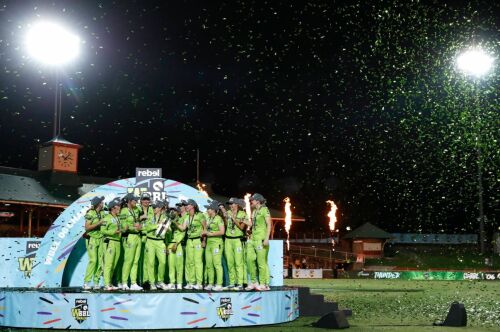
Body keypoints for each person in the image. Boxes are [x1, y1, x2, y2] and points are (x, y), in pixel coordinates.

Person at [246, 193, 272, 291]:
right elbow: (252, 224)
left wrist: (266, 238)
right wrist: (242, 220)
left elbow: (269, 224)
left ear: (257, 201)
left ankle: (264, 283)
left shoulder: (265, 210)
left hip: (261, 239)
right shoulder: (254, 211)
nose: (250, 201)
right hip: (252, 239)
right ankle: (254, 282)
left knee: (261, 262)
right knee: (249, 259)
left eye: (252, 200)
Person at [101, 198, 128, 291]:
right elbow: (102, 230)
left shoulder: (118, 218)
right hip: (110, 242)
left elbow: (121, 229)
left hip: (118, 242)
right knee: (108, 264)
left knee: (114, 264)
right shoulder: (106, 218)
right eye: (118, 206)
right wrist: (114, 231)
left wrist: (124, 229)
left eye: (120, 206)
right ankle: (106, 284)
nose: (120, 208)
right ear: (113, 207)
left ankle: (110, 283)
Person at [120, 193, 144, 291]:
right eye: (134, 200)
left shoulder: (136, 209)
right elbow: (123, 227)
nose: (136, 202)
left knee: (135, 261)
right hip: (130, 237)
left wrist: (140, 225)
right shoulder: (124, 211)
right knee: (128, 260)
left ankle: (133, 283)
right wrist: (134, 227)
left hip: (138, 236)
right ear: (129, 201)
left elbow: (139, 220)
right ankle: (124, 282)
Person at [143, 200, 169, 290]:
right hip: (150, 241)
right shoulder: (150, 216)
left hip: (160, 242)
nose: (153, 208)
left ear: (160, 208)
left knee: (163, 262)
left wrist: (166, 227)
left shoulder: (165, 217)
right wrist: (157, 225)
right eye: (153, 207)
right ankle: (152, 282)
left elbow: (168, 230)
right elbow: (146, 227)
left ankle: (160, 281)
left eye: (155, 207)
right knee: (150, 263)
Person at [223, 198, 248, 291]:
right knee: (230, 262)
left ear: (237, 204)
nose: (230, 206)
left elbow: (241, 227)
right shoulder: (228, 212)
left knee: (238, 262)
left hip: (237, 240)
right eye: (229, 204)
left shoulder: (242, 214)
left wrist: (234, 219)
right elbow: (226, 226)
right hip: (228, 240)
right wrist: (226, 218)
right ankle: (232, 283)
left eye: (232, 204)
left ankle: (240, 283)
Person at [183, 199, 206, 290]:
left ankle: (199, 283)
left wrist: (204, 240)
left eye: (187, 205)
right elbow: (183, 228)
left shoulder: (200, 215)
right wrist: (174, 222)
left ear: (192, 206)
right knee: (189, 262)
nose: (186, 206)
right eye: (185, 205)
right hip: (189, 240)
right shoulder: (186, 216)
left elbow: (205, 228)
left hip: (198, 240)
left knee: (197, 262)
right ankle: (190, 282)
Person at [83, 196, 105, 290]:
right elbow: (87, 228)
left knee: (100, 261)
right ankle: (86, 282)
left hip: (101, 238)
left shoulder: (103, 212)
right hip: (92, 239)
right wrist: (99, 223)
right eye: (102, 202)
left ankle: (96, 282)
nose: (103, 203)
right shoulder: (90, 213)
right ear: (99, 204)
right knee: (93, 260)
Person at [203, 201, 225, 291]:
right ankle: (211, 283)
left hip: (217, 243)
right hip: (209, 243)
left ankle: (219, 284)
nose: (207, 210)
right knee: (209, 264)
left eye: (208, 209)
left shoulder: (218, 218)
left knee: (217, 264)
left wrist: (210, 234)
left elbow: (222, 232)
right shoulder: (208, 218)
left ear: (213, 210)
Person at [166, 205, 186, 290]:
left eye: (174, 211)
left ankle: (179, 283)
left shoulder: (182, 220)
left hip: (178, 245)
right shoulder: (167, 221)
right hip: (170, 244)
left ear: (178, 212)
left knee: (179, 265)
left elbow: (183, 232)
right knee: (171, 265)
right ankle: (172, 282)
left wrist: (177, 243)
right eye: (171, 211)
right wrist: (167, 245)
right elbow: (166, 234)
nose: (172, 212)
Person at [138, 193, 154, 287]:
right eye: (144, 199)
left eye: (147, 199)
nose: (146, 201)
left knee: (148, 259)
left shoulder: (152, 209)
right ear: (141, 200)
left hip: (149, 236)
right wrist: (141, 218)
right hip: (139, 235)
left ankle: (146, 280)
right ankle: (138, 280)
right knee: (138, 259)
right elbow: (133, 221)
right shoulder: (137, 209)